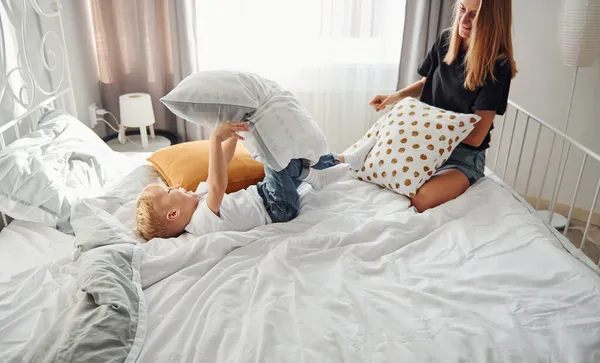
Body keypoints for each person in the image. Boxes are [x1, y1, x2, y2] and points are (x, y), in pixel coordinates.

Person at [369, 0, 517, 212]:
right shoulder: (447, 39)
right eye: (463, 10)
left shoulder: (497, 65)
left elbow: (476, 138)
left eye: (474, 15)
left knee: (421, 199)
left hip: (461, 155)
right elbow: (426, 82)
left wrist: (426, 129)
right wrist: (394, 97)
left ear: (493, 21)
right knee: (380, 171)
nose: (463, 20)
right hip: (424, 143)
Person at [136, 122, 376, 240]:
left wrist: (233, 136)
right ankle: (315, 177)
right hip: (278, 208)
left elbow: (222, 165)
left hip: (268, 193)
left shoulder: (197, 199)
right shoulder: (200, 223)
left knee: (291, 159)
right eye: (169, 191)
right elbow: (219, 185)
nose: (176, 186)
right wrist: (214, 138)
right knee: (271, 155)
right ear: (173, 215)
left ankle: (345, 159)